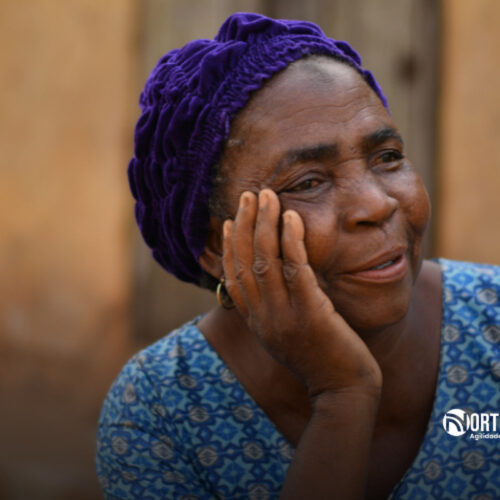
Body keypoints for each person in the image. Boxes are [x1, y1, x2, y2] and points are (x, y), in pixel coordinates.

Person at [96, 12, 500, 500]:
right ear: (214, 246)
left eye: (387, 157)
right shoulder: (160, 412)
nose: (377, 204)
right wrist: (342, 396)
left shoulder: (492, 325)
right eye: (309, 182)